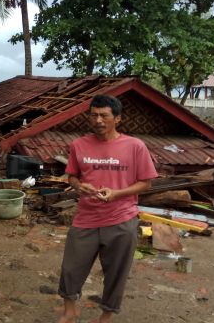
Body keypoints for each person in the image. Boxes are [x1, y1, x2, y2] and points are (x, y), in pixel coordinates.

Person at [58, 95, 158, 323]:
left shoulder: (135, 146)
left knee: (116, 273)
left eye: (104, 115)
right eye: (94, 115)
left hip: (122, 219)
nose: (98, 120)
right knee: (71, 268)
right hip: (86, 218)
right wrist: (79, 186)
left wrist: (116, 194)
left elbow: (146, 183)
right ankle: (69, 310)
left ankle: (106, 316)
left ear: (118, 118)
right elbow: (72, 176)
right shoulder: (79, 145)